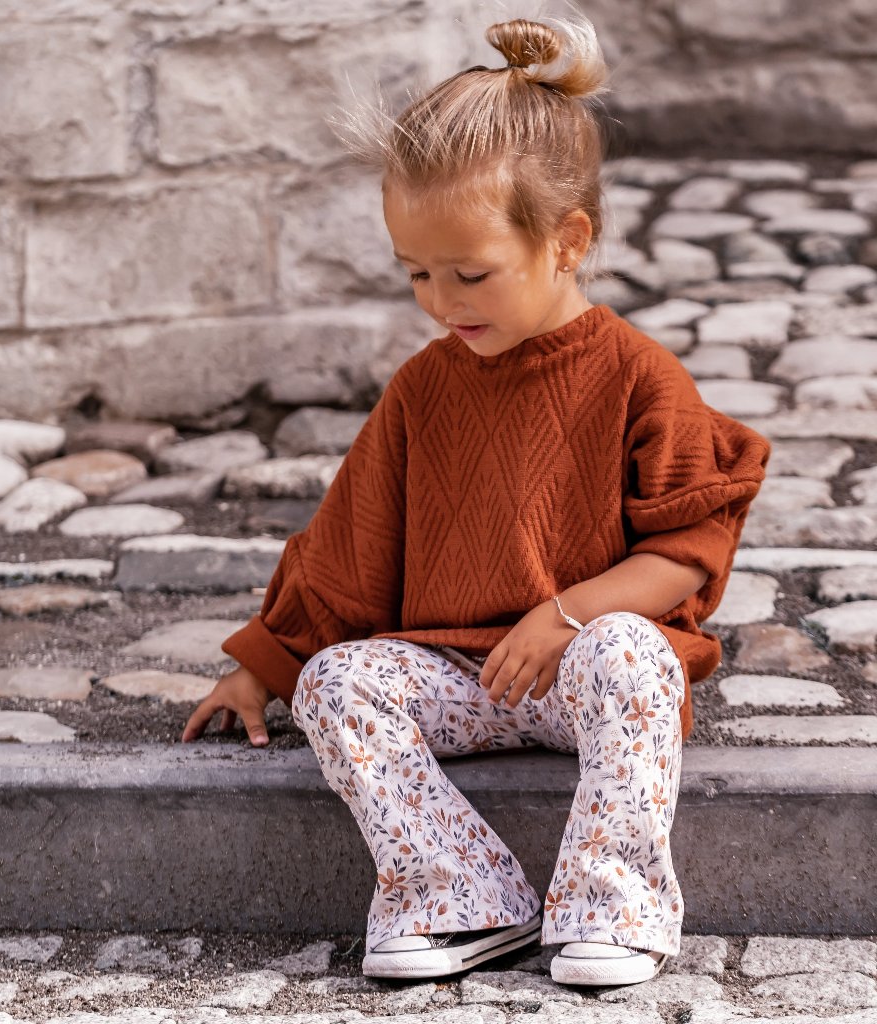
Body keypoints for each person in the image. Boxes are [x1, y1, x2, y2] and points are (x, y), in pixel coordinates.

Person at [182, 9, 771, 988]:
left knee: (629, 652)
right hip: (460, 679)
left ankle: (612, 902)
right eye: (415, 272)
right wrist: (266, 662)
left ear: (567, 240)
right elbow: (349, 542)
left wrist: (566, 612)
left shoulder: (636, 376)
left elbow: (687, 549)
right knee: (337, 682)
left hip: (586, 675)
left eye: (469, 273)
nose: (439, 299)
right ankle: (461, 895)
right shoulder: (424, 386)